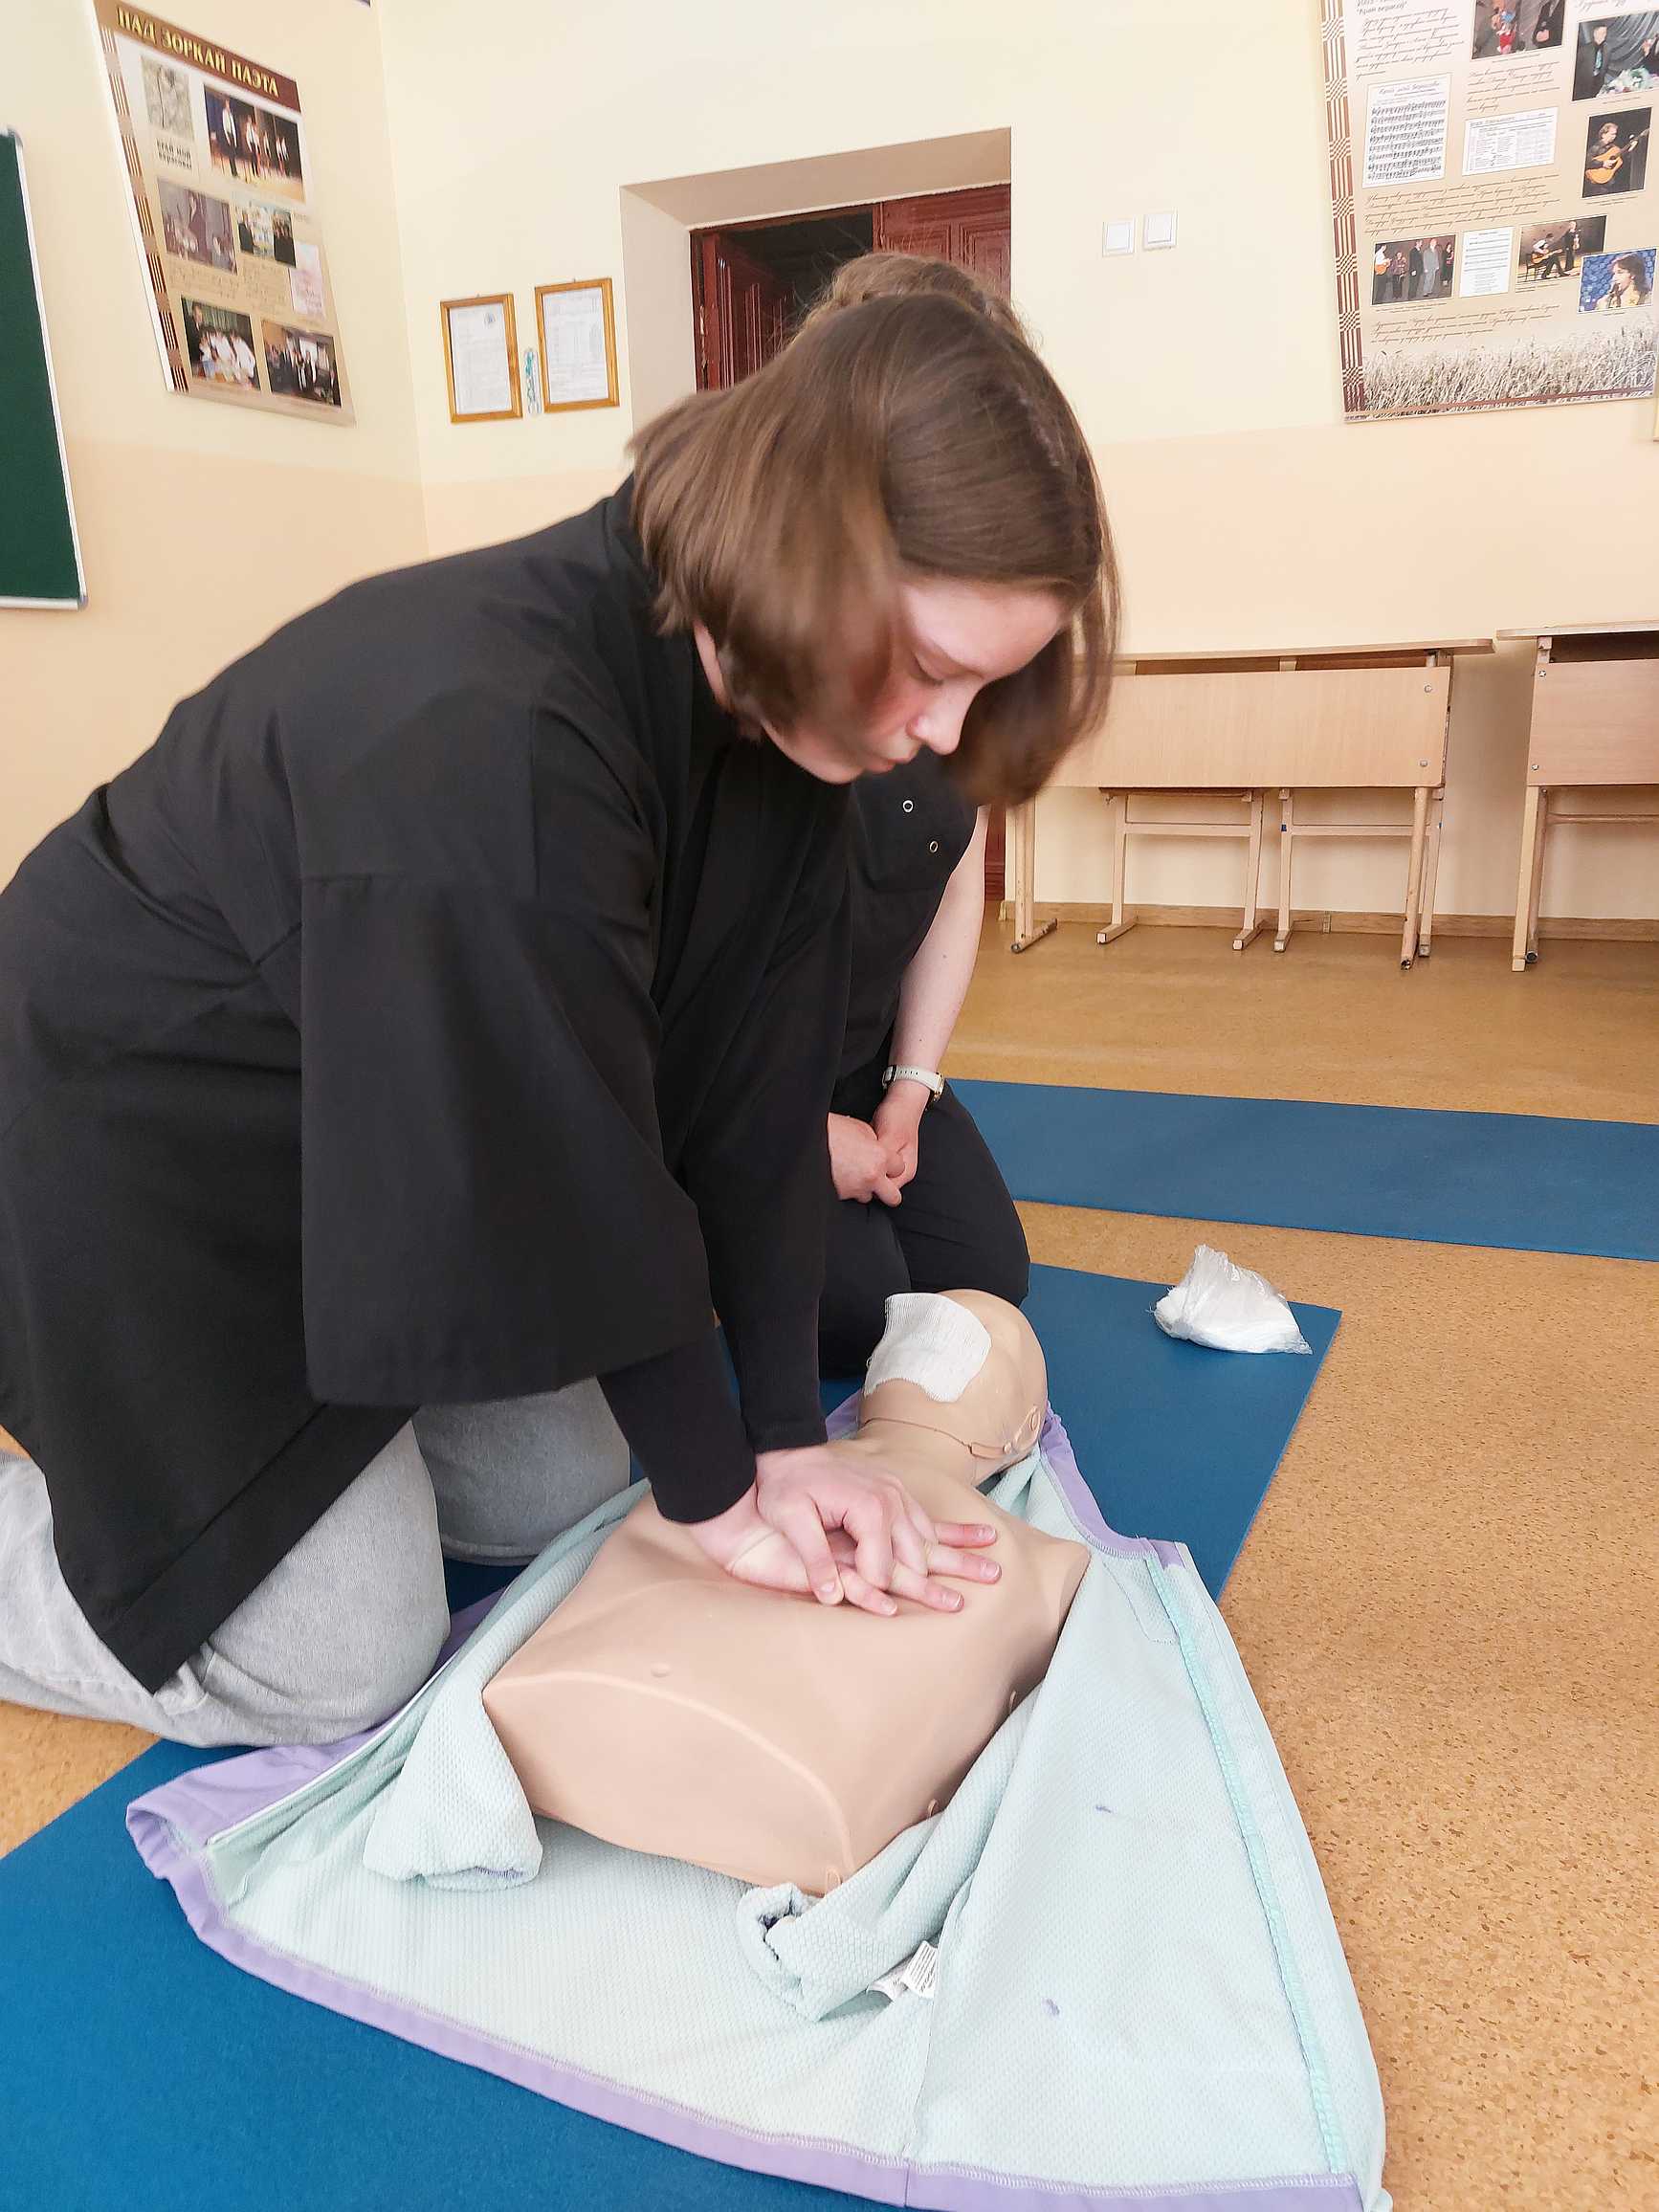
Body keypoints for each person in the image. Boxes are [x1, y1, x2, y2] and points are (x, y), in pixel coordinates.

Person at [0, 275, 1117, 1748]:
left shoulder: (779, 717)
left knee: (562, 1493)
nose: (941, 734)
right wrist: (720, 1502)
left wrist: (782, 1440)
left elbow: (755, 1102)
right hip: (143, 1142)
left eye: (983, 690)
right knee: (336, 1660)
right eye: (927, 671)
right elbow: (577, 1158)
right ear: (802, 554)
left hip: (376, 1125)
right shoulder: (499, 737)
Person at [785, 256, 1035, 1375]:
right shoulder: (775, 653)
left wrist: (909, 1085)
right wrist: (792, 1141)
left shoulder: (966, 620)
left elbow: (950, 868)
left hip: (863, 1055)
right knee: (858, 1315)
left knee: (985, 1279)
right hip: (723, 1092)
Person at [1577, 21, 1609, 100]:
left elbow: (1605, 67)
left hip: (1598, 83)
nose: (1604, 35)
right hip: (1584, 86)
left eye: (1605, 33)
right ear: (1595, 34)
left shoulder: (1607, 49)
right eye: (1601, 33)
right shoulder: (1584, 50)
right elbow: (1576, 68)